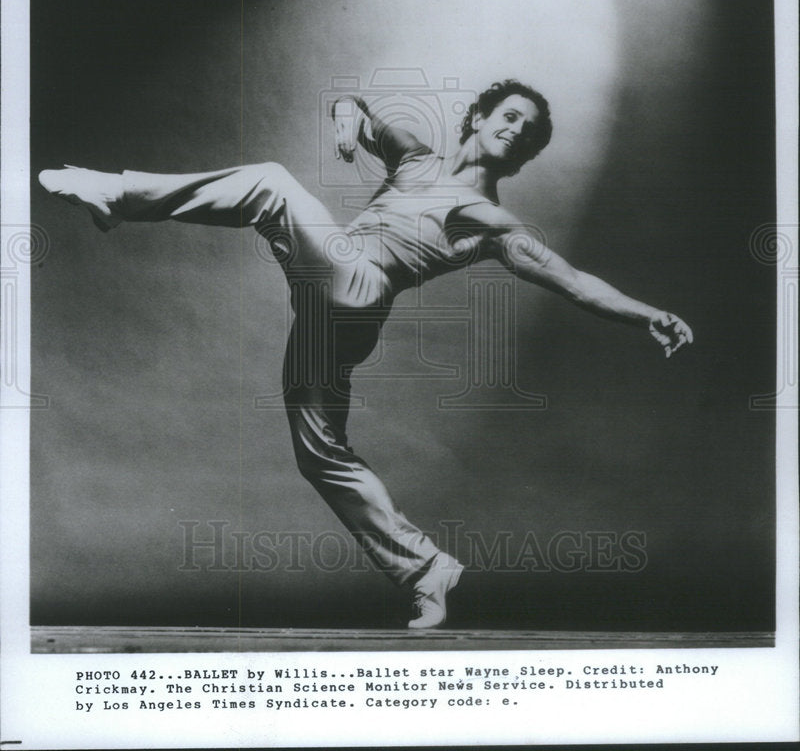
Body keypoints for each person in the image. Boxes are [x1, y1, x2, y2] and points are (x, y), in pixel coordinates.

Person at [39, 79, 693, 629]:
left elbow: (574, 280)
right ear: (478, 119)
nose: (517, 130)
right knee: (319, 452)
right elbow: (350, 104)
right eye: (510, 116)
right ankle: (425, 568)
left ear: (524, 157)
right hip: (330, 312)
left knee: (270, 184)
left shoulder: (493, 223)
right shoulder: (416, 161)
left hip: (359, 286)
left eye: (529, 131)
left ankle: (117, 194)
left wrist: (648, 313)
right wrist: (350, 127)